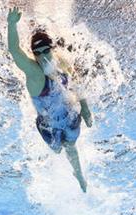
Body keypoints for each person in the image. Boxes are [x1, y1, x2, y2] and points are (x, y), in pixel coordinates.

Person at [7, 7, 93, 192]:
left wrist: (85, 108)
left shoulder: (61, 61)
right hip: (49, 126)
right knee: (57, 149)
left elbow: (76, 83)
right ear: (34, 55)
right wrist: (11, 24)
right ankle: (75, 173)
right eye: (38, 52)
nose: (43, 55)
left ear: (53, 48)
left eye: (46, 50)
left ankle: (78, 175)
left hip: (70, 117)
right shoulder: (35, 74)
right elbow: (14, 50)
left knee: (71, 147)